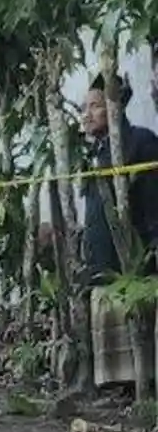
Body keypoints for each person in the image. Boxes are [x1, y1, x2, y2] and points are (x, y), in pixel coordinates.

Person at [81, 73, 158, 281]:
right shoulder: (93, 154)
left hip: (134, 269)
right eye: (83, 108)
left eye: (94, 106)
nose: (86, 115)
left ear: (115, 106)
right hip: (101, 269)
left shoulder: (141, 142)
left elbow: (152, 207)